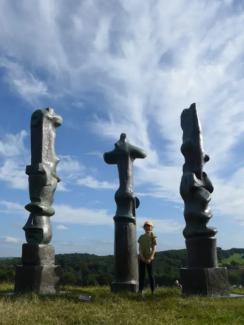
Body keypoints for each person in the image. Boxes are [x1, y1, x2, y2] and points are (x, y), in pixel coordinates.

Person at [138, 220, 157, 295]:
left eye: (149, 226)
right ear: (144, 228)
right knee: (141, 275)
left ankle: (153, 292)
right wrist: (142, 257)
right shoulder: (141, 237)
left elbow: (154, 248)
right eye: (146, 226)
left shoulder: (153, 236)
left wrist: (151, 258)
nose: (147, 227)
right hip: (142, 258)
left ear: (151, 227)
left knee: (151, 275)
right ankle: (140, 291)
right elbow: (140, 248)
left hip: (150, 259)